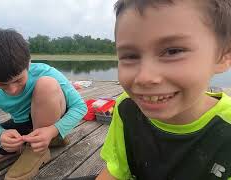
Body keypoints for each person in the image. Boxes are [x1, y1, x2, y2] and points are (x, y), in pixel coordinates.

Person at [97, 0, 231, 179]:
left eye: (173, 51)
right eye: (130, 56)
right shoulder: (127, 107)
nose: (145, 77)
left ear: (223, 57)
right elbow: (115, 171)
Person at [0, 28, 87, 179]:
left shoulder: (45, 72)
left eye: (18, 80)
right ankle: (32, 145)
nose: (12, 90)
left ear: (28, 63)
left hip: (50, 120)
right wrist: (0, 136)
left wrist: (52, 130)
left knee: (47, 84)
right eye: (1, 84)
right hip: (22, 125)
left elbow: (80, 107)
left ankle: (39, 150)